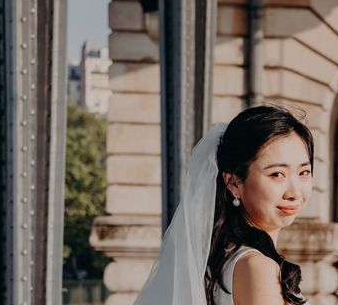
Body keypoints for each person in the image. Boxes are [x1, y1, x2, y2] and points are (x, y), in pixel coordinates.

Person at [134, 105, 314, 305]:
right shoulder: (257, 268)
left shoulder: (217, 262)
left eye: (303, 172)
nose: (294, 192)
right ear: (234, 183)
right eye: (277, 174)